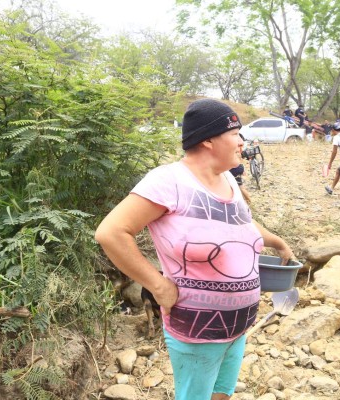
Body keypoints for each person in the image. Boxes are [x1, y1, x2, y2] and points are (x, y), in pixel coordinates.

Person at [95, 98, 295, 400]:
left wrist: (278, 242)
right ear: (208, 140)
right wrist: (158, 286)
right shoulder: (168, 181)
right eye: (234, 134)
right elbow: (111, 233)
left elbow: (241, 226)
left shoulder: (227, 178)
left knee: (221, 394)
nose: (242, 141)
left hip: (237, 328)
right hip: (198, 331)